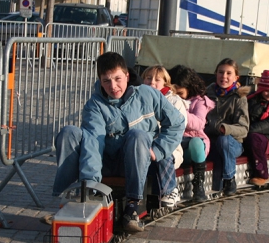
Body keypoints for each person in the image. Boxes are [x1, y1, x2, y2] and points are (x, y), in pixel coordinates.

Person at [52, 52, 185, 232]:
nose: (113, 86)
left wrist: (158, 149)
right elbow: (93, 142)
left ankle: (132, 206)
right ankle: (67, 200)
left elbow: (176, 122)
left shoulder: (148, 94)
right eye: (106, 81)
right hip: (106, 162)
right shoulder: (95, 106)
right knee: (69, 133)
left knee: (138, 135)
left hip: (139, 162)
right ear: (100, 80)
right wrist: (90, 185)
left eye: (118, 79)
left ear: (127, 76)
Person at [141, 65, 189, 208]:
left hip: (169, 145)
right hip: (144, 143)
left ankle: (170, 190)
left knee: (162, 152)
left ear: (165, 83)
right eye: (148, 78)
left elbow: (178, 127)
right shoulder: (137, 98)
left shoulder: (174, 101)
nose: (152, 82)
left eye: (157, 79)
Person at [169, 65, 215, 202]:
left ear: (189, 88)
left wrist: (179, 111)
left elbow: (199, 123)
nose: (177, 97)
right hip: (176, 142)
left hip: (191, 144)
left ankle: (199, 183)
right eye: (174, 93)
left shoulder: (200, 101)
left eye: (180, 94)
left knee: (196, 142)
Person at [205, 58, 250, 196]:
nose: (224, 76)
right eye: (221, 72)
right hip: (210, 139)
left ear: (236, 77)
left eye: (228, 73)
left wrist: (225, 129)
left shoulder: (239, 97)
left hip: (232, 143)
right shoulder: (208, 93)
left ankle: (229, 178)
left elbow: (244, 129)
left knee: (223, 141)